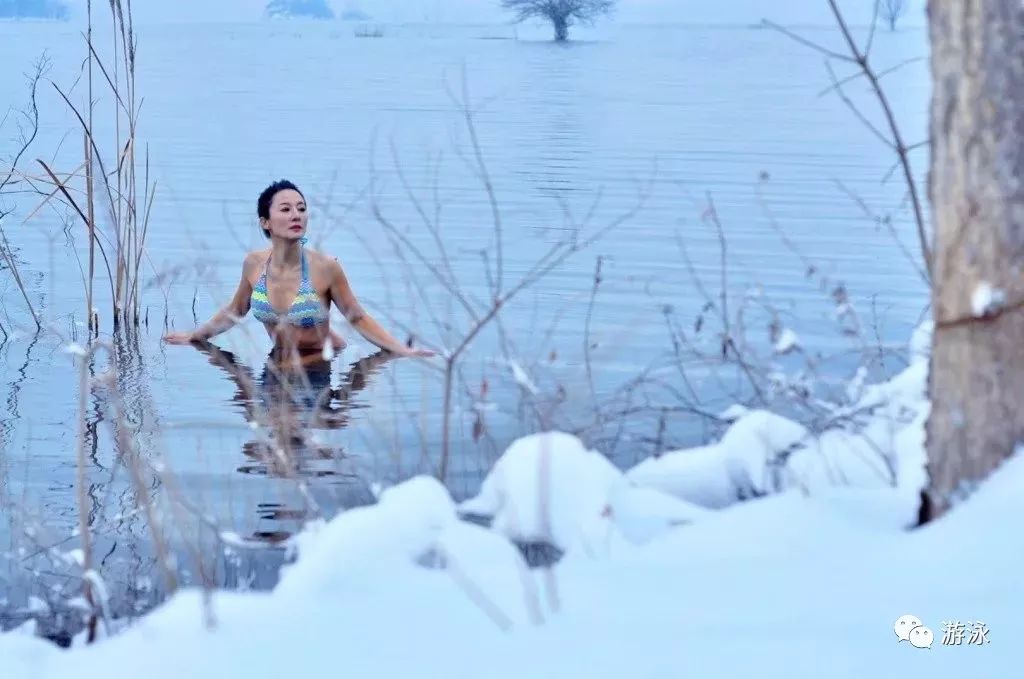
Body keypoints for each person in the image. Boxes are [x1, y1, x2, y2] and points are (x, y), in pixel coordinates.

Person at [163, 179, 435, 363]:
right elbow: (235, 311)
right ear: (265, 222)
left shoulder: (325, 268)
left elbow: (358, 317)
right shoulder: (254, 264)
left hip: (321, 363)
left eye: (301, 209)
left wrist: (401, 350)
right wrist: (194, 337)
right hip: (277, 362)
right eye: (286, 209)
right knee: (256, 445)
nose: (296, 215)